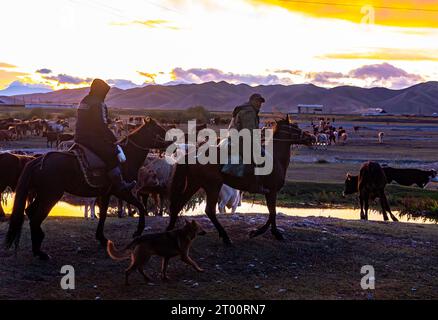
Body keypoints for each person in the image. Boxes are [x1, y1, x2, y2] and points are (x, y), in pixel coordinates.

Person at [75, 79, 135, 192]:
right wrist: (113, 139)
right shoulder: (99, 103)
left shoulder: (85, 100)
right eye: (105, 92)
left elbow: (90, 119)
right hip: (92, 138)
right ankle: (120, 184)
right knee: (112, 154)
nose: (105, 95)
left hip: (79, 136)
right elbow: (101, 126)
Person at [222, 93, 270, 194]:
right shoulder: (248, 111)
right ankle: (254, 185)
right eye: (258, 101)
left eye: (261, 102)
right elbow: (249, 131)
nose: (259, 104)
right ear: (252, 101)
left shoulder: (248, 110)